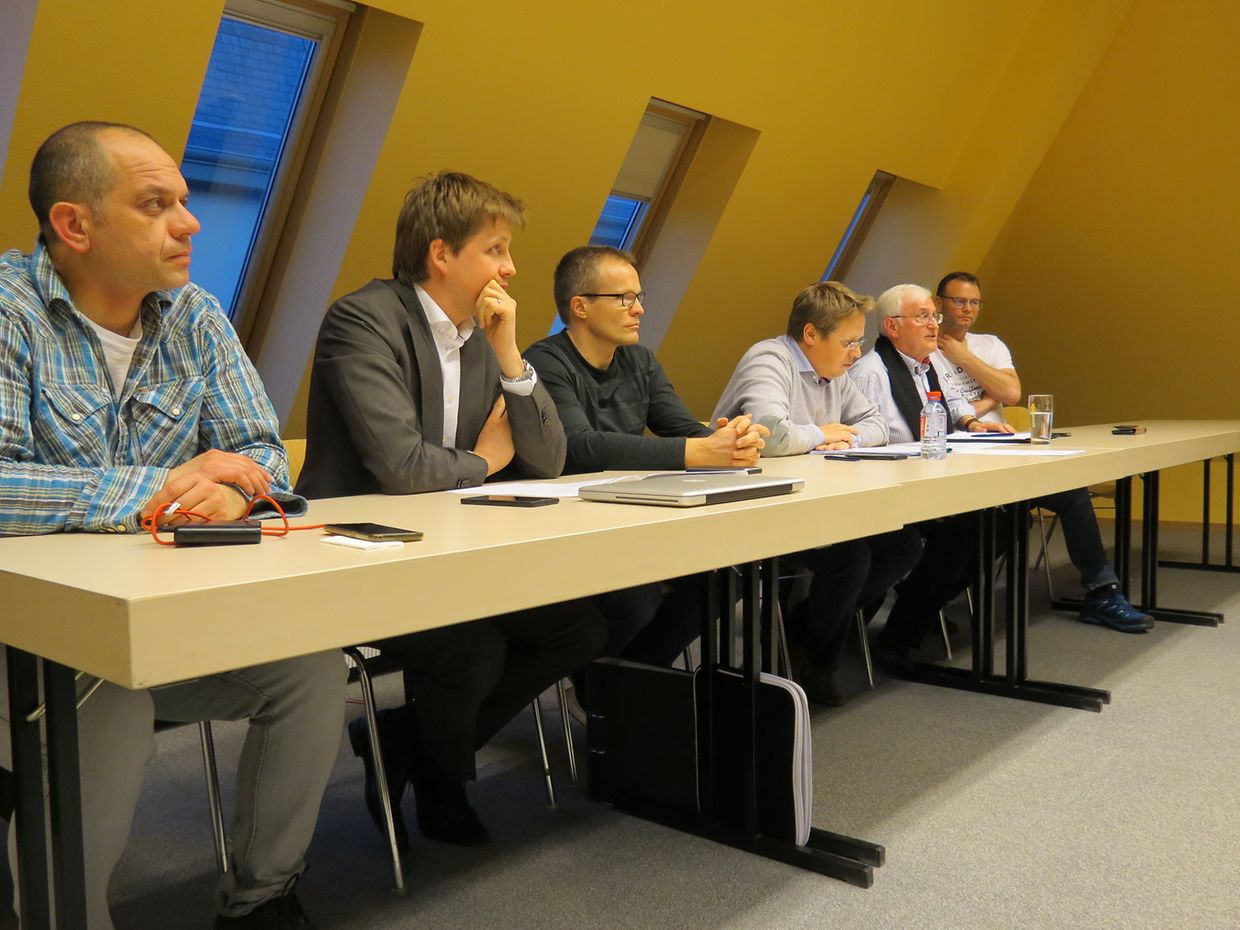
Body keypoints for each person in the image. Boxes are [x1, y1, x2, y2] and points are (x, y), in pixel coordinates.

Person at [0, 121, 346, 930]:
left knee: (309, 666)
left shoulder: (193, 313)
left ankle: (262, 897)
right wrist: (161, 487)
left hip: (148, 616)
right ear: (74, 225)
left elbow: (262, 453)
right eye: (155, 204)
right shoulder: (10, 313)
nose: (189, 223)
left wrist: (232, 496)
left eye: (184, 201)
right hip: (26, 636)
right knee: (106, 701)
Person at [297, 172, 605, 850]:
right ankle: (443, 781)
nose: (510, 268)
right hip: (360, 551)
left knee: (578, 628)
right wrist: (486, 461)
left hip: (451, 547)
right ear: (441, 254)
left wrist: (510, 356)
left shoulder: (480, 336)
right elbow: (402, 468)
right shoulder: (363, 320)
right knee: (473, 647)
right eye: (496, 250)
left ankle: (408, 743)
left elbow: (548, 459)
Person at [523, 246, 766, 686]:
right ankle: (610, 688)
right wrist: (698, 451)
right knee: (637, 599)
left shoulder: (640, 361)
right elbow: (580, 446)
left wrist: (732, 438)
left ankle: (626, 684)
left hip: (635, 516)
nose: (639, 309)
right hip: (572, 526)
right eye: (624, 298)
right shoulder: (545, 362)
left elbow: (684, 429)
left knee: (723, 581)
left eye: (639, 296)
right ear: (580, 306)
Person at [710, 281, 923, 701]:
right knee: (851, 558)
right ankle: (819, 664)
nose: (855, 354)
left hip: (816, 501)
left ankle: (802, 630)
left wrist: (845, 438)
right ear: (810, 334)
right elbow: (769, 435)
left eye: (858, 342)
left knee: (905, 545)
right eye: (848, 342)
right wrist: (821, 433)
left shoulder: (834, 374)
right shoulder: (769, 359)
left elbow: (877, 424)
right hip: (758, 506)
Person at [932, 271, 1152, 633]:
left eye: (974, 302)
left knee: (1072, 490)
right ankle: (927, 599)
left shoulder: (989, 344)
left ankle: (1102, 592)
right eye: (959, 301)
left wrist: (964, 358)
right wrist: (989, 399)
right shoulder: (925, 349)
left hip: (1005, 450)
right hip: (958, 457)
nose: (968, 309)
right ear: (938, 303)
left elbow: (1012, 393)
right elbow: (943, 411)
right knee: (1001, 522)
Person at [847, 284, 1012, 663]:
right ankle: (899, 636)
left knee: (1004, 523)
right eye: (922, 317)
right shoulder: (872, 372)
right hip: (887, 490)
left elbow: (951, 400)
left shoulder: (929, 362)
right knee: (962, 533)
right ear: (892, 326)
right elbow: (862, 439)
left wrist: (972, 422)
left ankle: (918, 601)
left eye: (933, 316)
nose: (934, 324)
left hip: (927, 483)